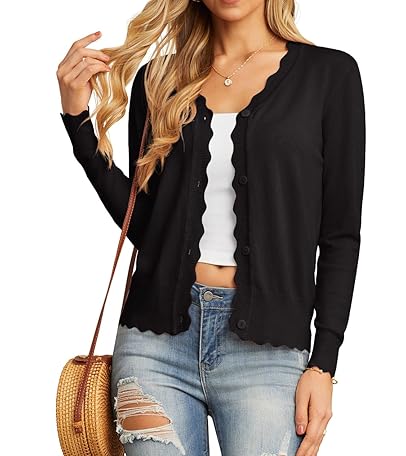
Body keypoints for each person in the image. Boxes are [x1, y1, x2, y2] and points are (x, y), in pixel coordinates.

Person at [57, 0, 365, 454]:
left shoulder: (329, 76)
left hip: (269, 352)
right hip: (153, 345)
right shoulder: (159, 79)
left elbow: (340, 235)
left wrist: (324, 363)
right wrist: (79, 125)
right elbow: (150, 229)